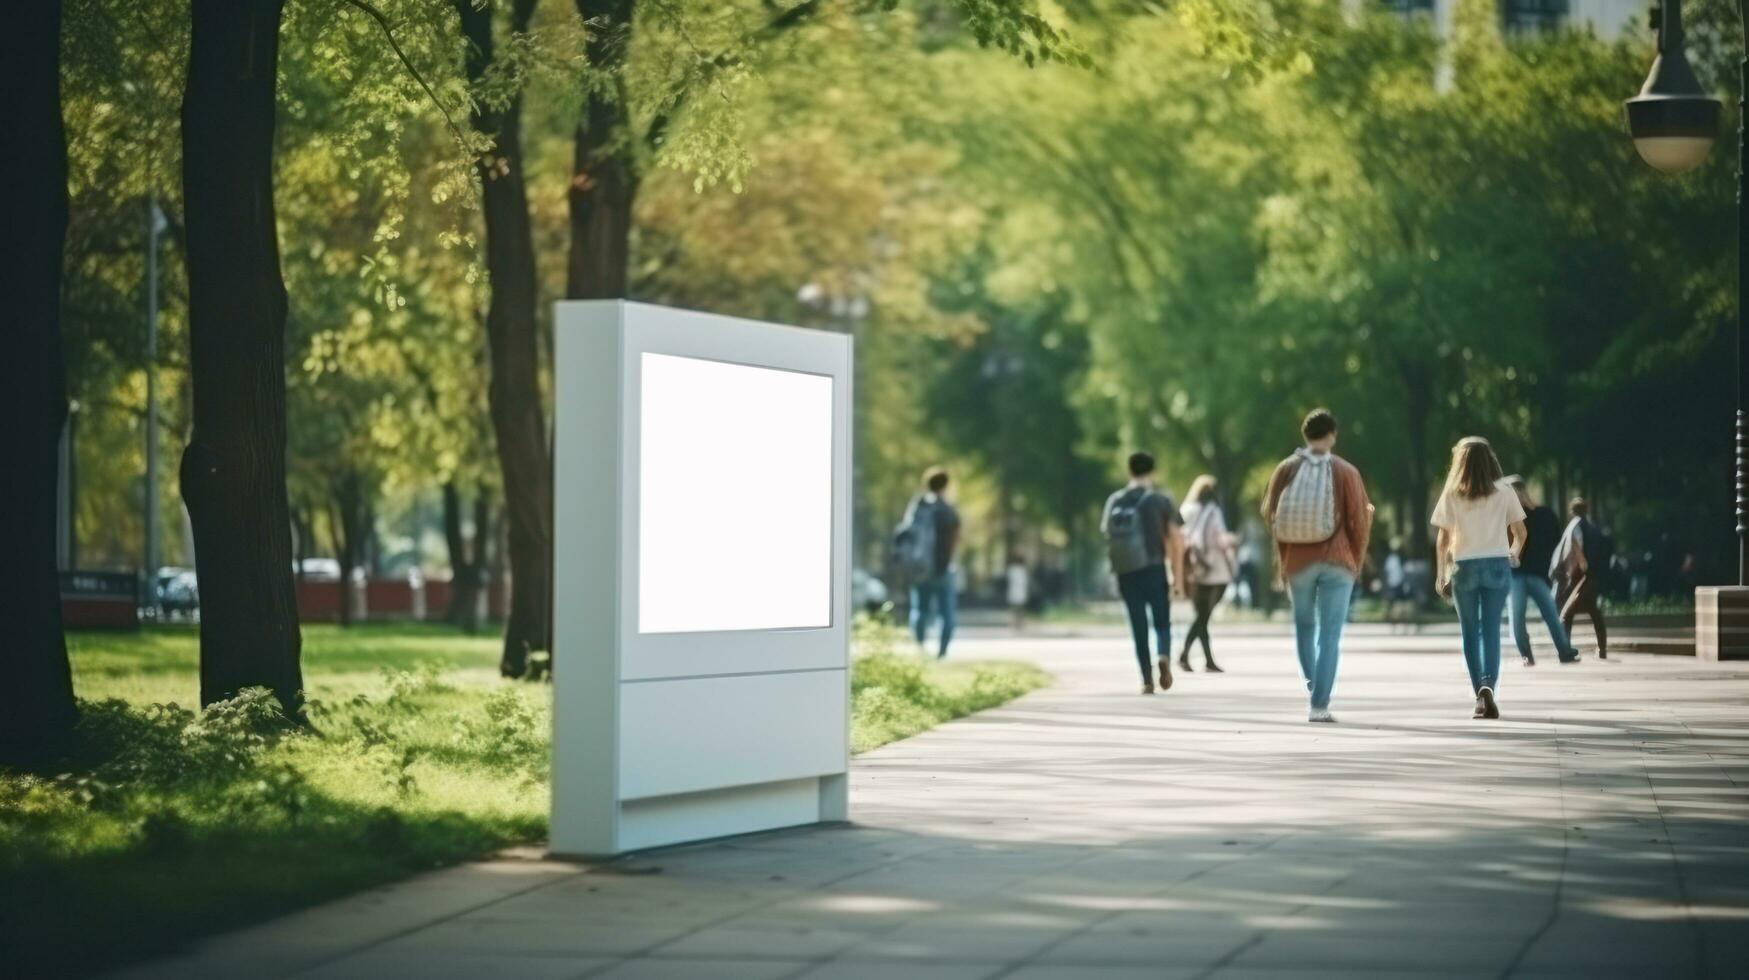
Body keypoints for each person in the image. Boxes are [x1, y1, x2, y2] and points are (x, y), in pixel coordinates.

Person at [1263, 409, 1372, 723]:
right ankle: (1319, 704)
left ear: (1305, 434)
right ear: (1333, 434)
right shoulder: (1345, 471)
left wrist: (1282, 561)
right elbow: (1359, 521)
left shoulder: (1285, 469)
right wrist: (1356, 560)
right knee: (1330, 635)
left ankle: (1313, 684)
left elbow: (1272, 514)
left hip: (1298, 561)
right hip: (1338, 562)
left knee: (1304, 626)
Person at [1432, 438, 1526, 720]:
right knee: (1492, 630)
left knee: (1470, 633)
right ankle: (1489, 686)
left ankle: (1479, 696)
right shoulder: (1505, 491)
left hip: (1464, 566)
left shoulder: (1453, 493)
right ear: (1490, 460)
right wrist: (1513, 554)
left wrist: (1441, 574)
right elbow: (1520, 532)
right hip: (1497, 564)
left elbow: (1442, 539)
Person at [1101, 452, 1186, 694]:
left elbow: (1107, 534)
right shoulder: (1161, 499)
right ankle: (1163, 656)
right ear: (1153, 472)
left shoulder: (1115, 500)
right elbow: (1177, 540)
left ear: (1129, 472)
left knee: (1137, 625)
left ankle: (1146, 680)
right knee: (1161, 622)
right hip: (1154, 568)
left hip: (1126, 572)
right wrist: (1177, 579)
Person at [1506, 478, 1577, 666]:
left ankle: (1565, 652)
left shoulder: (1545, 515)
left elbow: (1557, 544)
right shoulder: (1509, 519)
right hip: (1515, 574)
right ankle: (1526, 655)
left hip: (1538, 574)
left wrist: (1557, 570)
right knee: (1516, 618)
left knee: (1551, 615)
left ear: (1521, 492)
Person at [896, 467, 962, 658]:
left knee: (919, 610)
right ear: (946, 486)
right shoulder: (948, 512)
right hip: (944, 569)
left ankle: (919, 650)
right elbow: (954, 540)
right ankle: (941, 654)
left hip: (920, 567)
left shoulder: (918, 508)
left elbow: (905, 535)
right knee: (946, 613)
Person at [1178, 474, 1236, 673]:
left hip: (1193, 569)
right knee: (1203, 616)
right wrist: (1231, 542)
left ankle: (1206, 660)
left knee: (1201, 615)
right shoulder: (1213, 511)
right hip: (1215, 570)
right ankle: (1184, 653)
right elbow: (1220, 536)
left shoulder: (1186, 511)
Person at [1553, 497, 1609, 660]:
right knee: (1594, 612)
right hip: (1592, 577)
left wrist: (1581, 565)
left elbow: (1574, 546)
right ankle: (1602, 648)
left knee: (1567, 613)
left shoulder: (1574, 526)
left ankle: (1565, 649)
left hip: (1577, 577)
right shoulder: (1593, 528)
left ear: (1572, 511)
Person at [1005, 553, 1030, 632]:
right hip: (1021, 591)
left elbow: (1008, 580)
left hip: (1013, 591)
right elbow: (1026, 582)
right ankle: (1020, 623)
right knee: (1021, 609)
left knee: (1013, 609)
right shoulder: (1024, 570)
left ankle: (1013, 623)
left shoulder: (1011, 570)